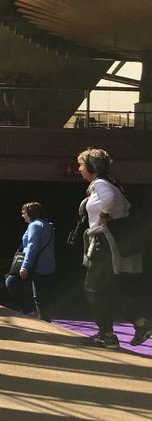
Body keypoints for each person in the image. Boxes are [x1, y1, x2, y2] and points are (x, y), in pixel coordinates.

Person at [75, 148, 150, 349]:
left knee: (92, 288)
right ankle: (140, 323)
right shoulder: (108, 183)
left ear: (92, 167)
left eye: (81, 165)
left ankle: (107, 336)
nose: (79, 169)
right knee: (105, 289)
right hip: (104, 241)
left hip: (103, 242)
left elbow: (108, 199)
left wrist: (103, 215)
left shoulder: (101, 184)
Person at [4, 202, 56, 318]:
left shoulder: (34, 225)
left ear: (30, 213)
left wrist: (25, 266)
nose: (22, 215)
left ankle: (29, 311)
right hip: (47, 265)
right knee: (42, 298)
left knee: (11, 282)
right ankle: (43, 319)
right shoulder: (48, 225)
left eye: (24, 213)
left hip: (35, 265)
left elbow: (32, 247)